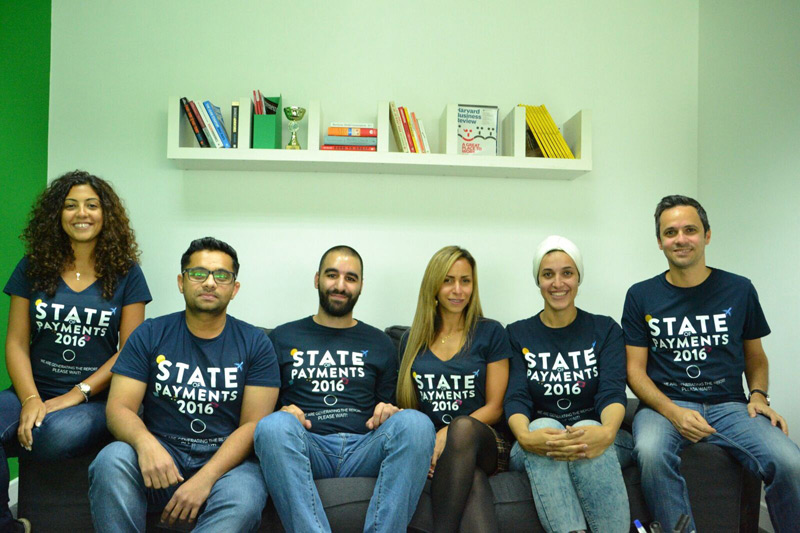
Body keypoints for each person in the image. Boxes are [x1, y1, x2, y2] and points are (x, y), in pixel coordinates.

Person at [623, 195, 800, 532]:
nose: (680, 239)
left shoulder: (739, 289)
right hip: (665, 405)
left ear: (707, 235)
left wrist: (759, 396)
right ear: (659, 242)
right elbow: (634, 371)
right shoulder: (640, 295)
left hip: (729, 406)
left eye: (690, 230)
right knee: (650, 452)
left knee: (790, 461)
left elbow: (756, 356)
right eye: (670, 232)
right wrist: (674, 412)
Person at [88, 237, 280, 532]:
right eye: (198, 273)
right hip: (161, 457)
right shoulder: (150, 333)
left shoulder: (256, 343)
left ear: (234, 288)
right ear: (181, 282)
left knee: (246, 495)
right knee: (111, 460)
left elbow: (253, 425)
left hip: (225, 466)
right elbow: (119, 407)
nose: (210, 283)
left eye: (222, 276)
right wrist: (145, 444)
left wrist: (206, 478)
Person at [1, 170, 151, 533]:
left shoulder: (127, 273)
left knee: (49, 434)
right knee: (32, 422)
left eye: (91, 205)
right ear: (57, 214)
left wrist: (75, 394)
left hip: (94, 400)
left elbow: (130, 352)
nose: (81, 213)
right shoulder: (32, 267)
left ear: (106, 214)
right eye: (70, 205)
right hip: (32, 390)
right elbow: (16, 342)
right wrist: (30, 398)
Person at [253, 245, 435, 533]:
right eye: (332, 275)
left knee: (417, 423)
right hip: (308, 444)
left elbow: (387, 410)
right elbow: (263, 411)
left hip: (365, 447)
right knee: (272, 426)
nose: (340, 285)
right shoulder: (283, 336)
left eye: (350, 278)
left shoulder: (380, 342)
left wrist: (388, 410)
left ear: (361, 286)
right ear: (317, 279)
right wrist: (283, 412)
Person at [505, 236, 631, 533]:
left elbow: (612, 392)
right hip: (538, 441)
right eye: (548, 274)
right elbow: (516, 397)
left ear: (578, 278)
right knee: (542, 426)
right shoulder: (517, 333)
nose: (558, 283)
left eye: (567, 273)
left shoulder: (605, 329)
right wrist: (524, 436)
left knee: (587, 429)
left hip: (598, 434)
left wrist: (606, 432)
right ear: (538, 280)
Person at [396, 246, 511, 533]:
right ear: (434, 286)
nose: (458, 290)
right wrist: (426, 447)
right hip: (437, 449)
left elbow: (495, 408)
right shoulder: (412, 339)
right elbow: (408, 408)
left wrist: (445, 433)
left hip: (486, 440)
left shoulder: (490, 332)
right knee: (472, 480)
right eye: (448, 280)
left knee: (462, 428)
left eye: (465, 281)